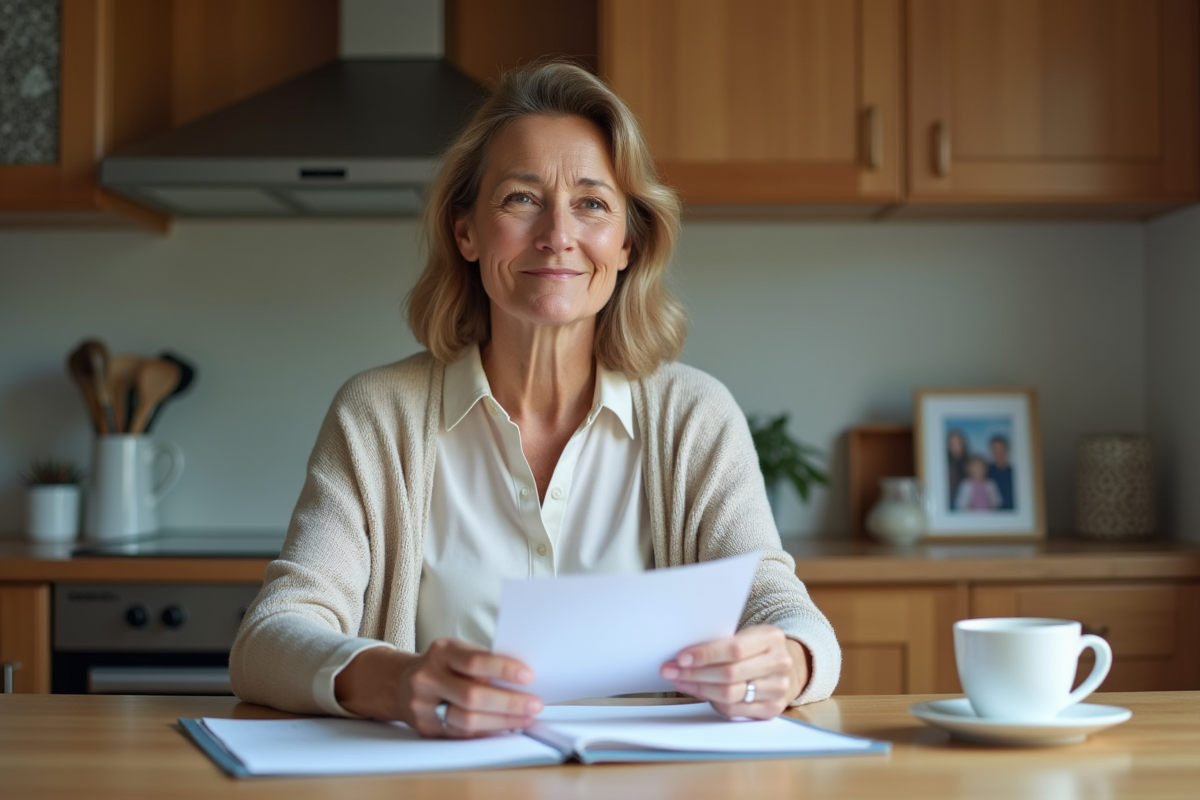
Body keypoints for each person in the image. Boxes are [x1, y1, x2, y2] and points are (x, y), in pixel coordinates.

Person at [229, 61, 840, 739]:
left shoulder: (695, 416)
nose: (557, 234)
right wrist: (400, 682)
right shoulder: (378, 413)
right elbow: (269, 637)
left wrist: (787, 659)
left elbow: (785, 608)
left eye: (592, 203)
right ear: (466, 231)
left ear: (628, 242)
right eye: (521, 198)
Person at [988, 435, 1015, 510]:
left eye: (1001, 449)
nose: (999, 452)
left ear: (1007, 450)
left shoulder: (1014, 473)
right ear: (991, 451)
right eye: (995, 449)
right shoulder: (986, 472)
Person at [945, 429, 969, 510]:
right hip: (949, 501)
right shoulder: (944, 463)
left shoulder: (970, 462)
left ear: (963, 444)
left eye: (958, 443)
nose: (955, 447)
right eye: (952, 444)